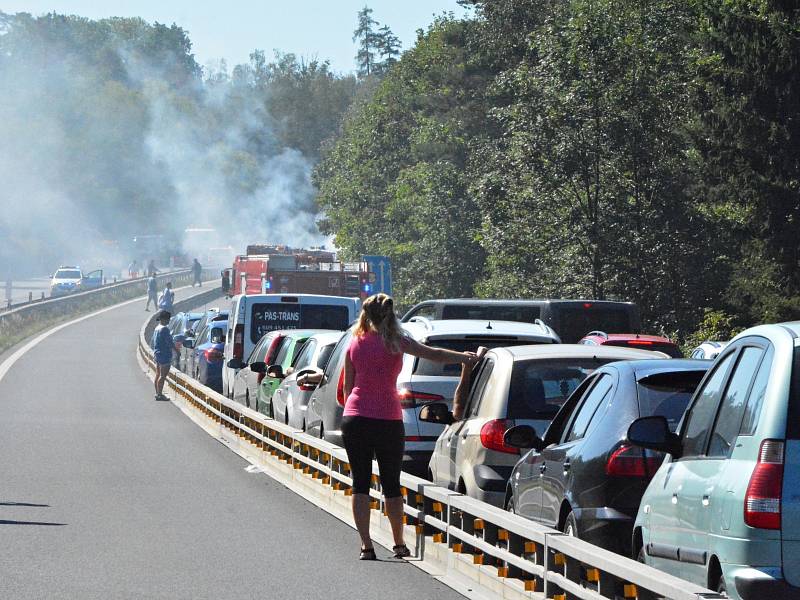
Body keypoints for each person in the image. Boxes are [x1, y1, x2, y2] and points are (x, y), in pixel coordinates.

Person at [342, 293, 478, 560]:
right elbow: (434, 354)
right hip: (388, 420)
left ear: (366, 315)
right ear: (390, 316)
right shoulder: (396, 342)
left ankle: (366, 546)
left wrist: (357, 411)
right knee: (391, 484)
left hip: (355, 418)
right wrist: (465, 358)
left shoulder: (354, 344)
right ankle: (398, 544)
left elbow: (348, 388)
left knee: (360, 483)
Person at [152, 310, 175, 400]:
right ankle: (160, 394)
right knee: (162, 376)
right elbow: (170, 342)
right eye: (168, 319)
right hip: (164, 355)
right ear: (164, 319)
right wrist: (177, 351)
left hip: (157, 354)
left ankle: (157, 393)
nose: (169, 321)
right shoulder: (164, 329)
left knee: (158, 374)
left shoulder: (157, 328)